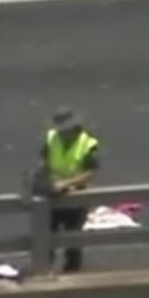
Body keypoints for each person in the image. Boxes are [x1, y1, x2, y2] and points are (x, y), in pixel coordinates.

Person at [36, 107, 100, 272]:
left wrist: (65, 184)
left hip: (76, 196)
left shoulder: (87, 144)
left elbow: (90, 172)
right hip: (53, 194)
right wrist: (45, 179)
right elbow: (43, 162)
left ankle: (72, 270)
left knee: (72, 237)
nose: (61, 133)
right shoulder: (52, 138)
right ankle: (45, 268)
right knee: (47, 234)